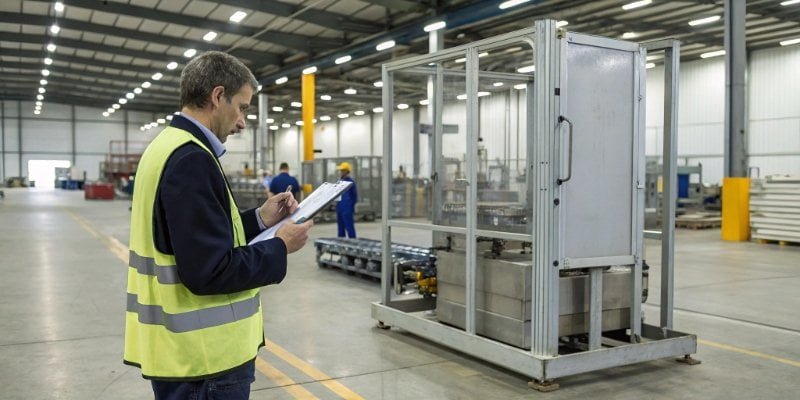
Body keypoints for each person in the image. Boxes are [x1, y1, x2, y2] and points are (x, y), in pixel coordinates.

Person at [124, 51, 313, 400]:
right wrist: (280, 244)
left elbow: (191, 238)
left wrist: (260, 219)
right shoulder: (192, 159)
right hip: (205, 362)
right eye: (241, 107)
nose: (242, 122)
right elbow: (210, 270)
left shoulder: (166, 147)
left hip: (182, 356)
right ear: (216, 96)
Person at [335, 161, 358, 238]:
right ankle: (341, 242)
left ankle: (353, 241)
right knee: (340, 228)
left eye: (342, 170)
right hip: (340, 208)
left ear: (347, 171)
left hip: (347, 208)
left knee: (349, 226)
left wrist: (350, 207)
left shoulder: (350, 182)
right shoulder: (339, 182)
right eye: (340, 170)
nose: (341, 172)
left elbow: (354, 196)